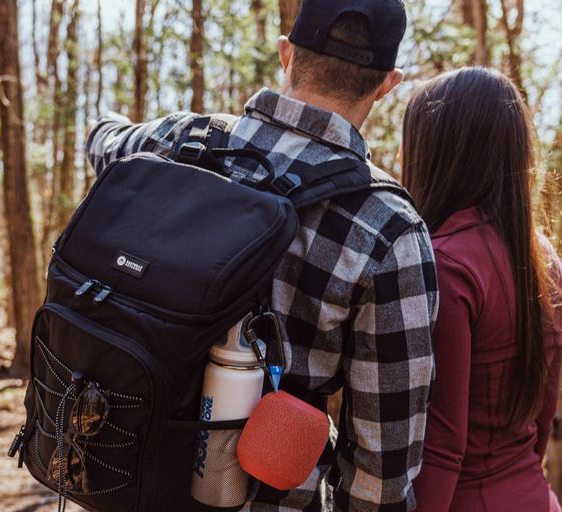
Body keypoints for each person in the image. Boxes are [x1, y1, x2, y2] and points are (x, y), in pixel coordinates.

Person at [85, 1, 437, 510]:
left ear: (286, 54)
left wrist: (102, 124)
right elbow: (378, 479)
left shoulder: (180, 140)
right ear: (388, 84)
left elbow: (107, 143)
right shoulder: (388, 230)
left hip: (127, 481)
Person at [402, 67, 562, 512]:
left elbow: (441, 448)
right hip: (535, 497)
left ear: (436, 154)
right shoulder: (546, 261)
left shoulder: (446, 264)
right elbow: (544, 414)